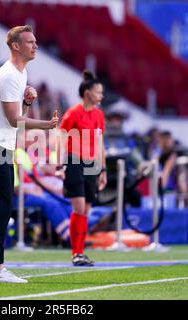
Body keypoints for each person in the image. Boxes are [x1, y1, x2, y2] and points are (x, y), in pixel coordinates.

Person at [0, 25, 58, 283]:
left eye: (35, 41)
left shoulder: (20, 72)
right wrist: (46, 125)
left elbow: (15, 117)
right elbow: (14, 119)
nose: (35, 45)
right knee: (3, 206)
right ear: (16, 46)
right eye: (30, 42)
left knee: (0, 206)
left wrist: (27, 102)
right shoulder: (9, 75)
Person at [58, 70, 107, 266]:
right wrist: (60, 165)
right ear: (87, 93)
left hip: (91, 164)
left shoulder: (98, 115)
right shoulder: (73, 113)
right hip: (74, 162)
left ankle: (80, 252)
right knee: (78, 208)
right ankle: (76, 252)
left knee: (86, 210)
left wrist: (102, 170)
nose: (101, 96)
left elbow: (100, 143)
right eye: (98, 92)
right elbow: (61, 138)